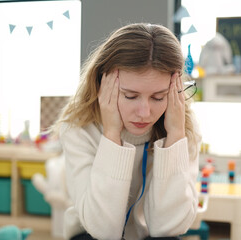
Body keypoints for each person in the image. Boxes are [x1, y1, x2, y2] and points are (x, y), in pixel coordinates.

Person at [54, 23, 202, 240]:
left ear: (175, 91)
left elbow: (168, 228)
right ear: (102, 84)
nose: (144, 113)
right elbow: (102, 231)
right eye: (130, 96)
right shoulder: (78, 128)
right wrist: (112, 135)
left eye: (158, 97)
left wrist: (175, 137)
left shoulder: (182, 128)